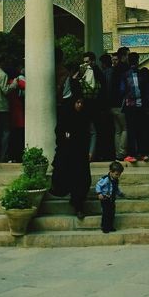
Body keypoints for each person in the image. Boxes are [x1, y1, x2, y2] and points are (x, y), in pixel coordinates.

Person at [52, 67, 91, 219]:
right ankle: (75, 202)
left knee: (82, 180)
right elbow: (59, 131)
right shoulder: (66, 114)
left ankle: (78, 204)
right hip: (68, 153)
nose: (80, 105)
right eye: (77, 102)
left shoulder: (84, 116)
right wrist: (65, 138)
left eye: (81, 102)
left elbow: (89, 132)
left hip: (80, 153)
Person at [122, 52, 149, 162]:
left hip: (131, 107)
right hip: (140, 106)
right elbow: (147, 91)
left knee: (132, 131)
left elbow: (122, 90)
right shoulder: (141, 74)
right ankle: (142, 153)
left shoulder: (125, 75)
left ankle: (133, 154)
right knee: (141, 130)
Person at [96, 161, 125, 233]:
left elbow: (116, 188)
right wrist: (99, 193)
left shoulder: (116, 180)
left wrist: (120, 193)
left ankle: (110, 226)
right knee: (106, 213)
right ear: (111, 172)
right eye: (116, 174)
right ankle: (105, 227)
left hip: (112, 199)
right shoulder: (105, 179)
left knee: (112, 213)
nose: (118, 176)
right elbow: (98, 185)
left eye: (119, 175)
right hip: (105, 198)